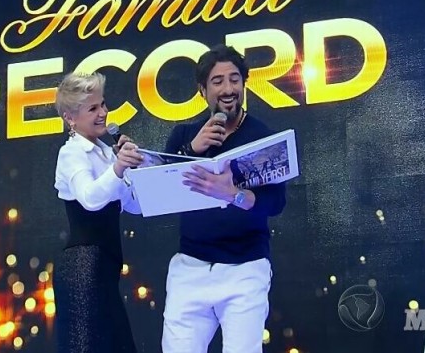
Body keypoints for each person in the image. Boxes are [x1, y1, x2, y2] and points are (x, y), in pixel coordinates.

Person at [161, 45, 287, 353]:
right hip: (190, 268)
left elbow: (276, 203)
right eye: (217, 81)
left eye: (234, 79)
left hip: (245, 268)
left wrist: (233, 195)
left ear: (244, 84)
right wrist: (193, 149)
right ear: (203, 90)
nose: (228, 89)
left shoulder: (263, 138)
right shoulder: (184, 136)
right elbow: (162, 193)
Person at [52, 71, 144, 353]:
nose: (103, 112)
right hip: (83, 268)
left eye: (103, 104)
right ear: (70, 118)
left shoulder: (106, 152)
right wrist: (118, 168)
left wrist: (134, 169)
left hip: (104, 267)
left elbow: (134, 205)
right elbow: (90, 199)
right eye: (93, 108)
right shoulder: (72, 153)